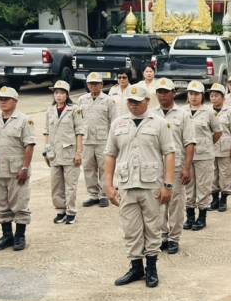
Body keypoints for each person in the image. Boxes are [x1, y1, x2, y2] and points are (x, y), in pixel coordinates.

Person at [104, 84, 176, 288]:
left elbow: (169, 154)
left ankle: (151, 267)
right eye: (130, 101)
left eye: (137, 102)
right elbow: (110, 154)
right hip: (126, 184)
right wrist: (108, 185)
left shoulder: (159, 123)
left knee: (153, 227)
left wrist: (168, 185)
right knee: (130, 228)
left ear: (147, 101)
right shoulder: (118, 124)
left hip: (151, 185)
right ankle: (136, 267)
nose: (133, 105)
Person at [0, 86, 36, 253]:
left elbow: (29, 145)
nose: (2, 102)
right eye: (0, 99)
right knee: (0, 204)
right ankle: (6, 235)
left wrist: (25, 167)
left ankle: (20, 235)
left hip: (17, 170)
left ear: (15, 101)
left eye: (6, 99)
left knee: (20, 203)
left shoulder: (24, 120)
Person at [153, 78, 187, 254]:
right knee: (158, 202)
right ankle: (162, 236)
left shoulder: (183, 115)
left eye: (166, 92)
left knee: (175, 203)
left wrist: (187, 167)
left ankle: (174, 238)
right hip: (156, 166)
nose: (162, 95)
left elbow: (190, 143)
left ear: (173, 93)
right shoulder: (151, 114)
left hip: (177, 166)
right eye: (159, 92)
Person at [182, 81, 221, 231]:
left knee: (203, 187)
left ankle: (202, 217)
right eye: (191, 94)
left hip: (204, 155)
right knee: (188, 187)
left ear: (202, 96)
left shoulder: (209, 112)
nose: (193, 97)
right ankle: (190, 216)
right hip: (186, 156)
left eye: (196, 94)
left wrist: (207, 144)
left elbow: (217, 132)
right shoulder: (181, 111)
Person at [44, 80, 84, 225]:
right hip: (54, 153)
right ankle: (60, 210)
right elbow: (46, 132)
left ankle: (71, 212)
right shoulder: (50, 110)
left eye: (61, 93)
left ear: (67, 95)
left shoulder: (74, 110)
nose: (58, 96)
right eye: (56, 93)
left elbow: (79, 132)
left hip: (69, 153)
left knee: (70, 185)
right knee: (56, 185)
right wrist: (46, 151)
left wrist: (79, 152)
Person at [78, 72, 116, 208]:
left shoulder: (109, 100)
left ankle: (104, 195)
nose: (93, 86)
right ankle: (93, 194)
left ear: (101, 85)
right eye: (91, 84)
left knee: (104, 168)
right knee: (88, 168)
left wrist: (113, 141)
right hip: (87, 139)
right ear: (87, 85)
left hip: (103, 140)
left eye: (96, 84)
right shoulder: (82, 100)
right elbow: (78, 120)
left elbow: (114, 122)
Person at [208, 83, 231, 213]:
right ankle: (214, 199)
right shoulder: (207, 111)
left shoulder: (230, 111)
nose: (214, 98)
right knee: (212, 175)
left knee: (225, 174)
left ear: (223, 97)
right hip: (210, 149)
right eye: (212, 96)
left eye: (216, 96)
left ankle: (223, 199)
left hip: (226, 148)